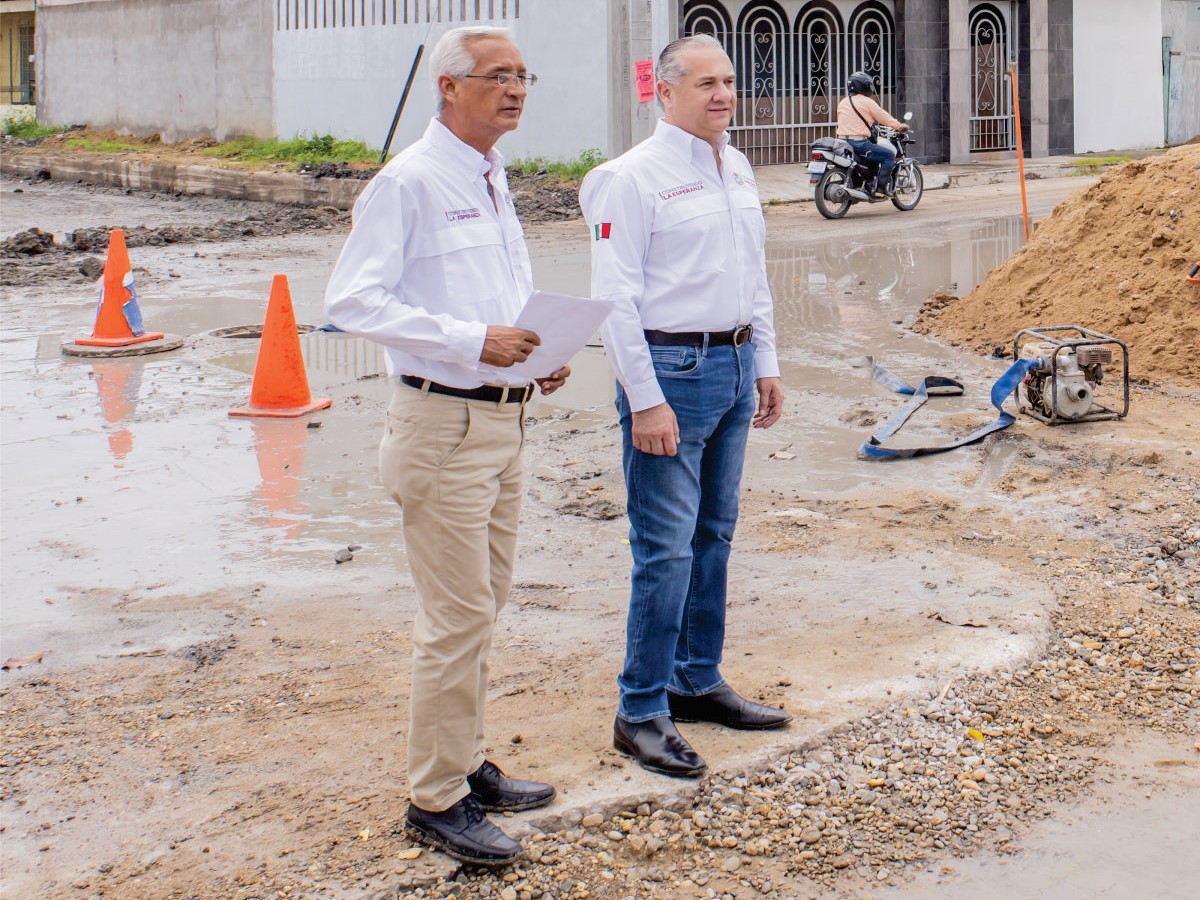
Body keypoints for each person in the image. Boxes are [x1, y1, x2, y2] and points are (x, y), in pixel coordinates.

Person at [324, 25, 569, 867]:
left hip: (503, 419)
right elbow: (352, 301)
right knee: (456, 614)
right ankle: (436, 799)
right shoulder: (412, 182)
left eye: (522, 74)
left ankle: (466, 763)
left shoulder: (491, 176)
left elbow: (493, 294)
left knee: (485, 603)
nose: (516, 89)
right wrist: (472, 341)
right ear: (448, 88)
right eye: (497, 76)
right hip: (442, 423)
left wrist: (536, 353)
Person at [578, 34, 790, 780]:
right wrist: (645, 401)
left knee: (715, 535)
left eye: (728, 81)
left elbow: (754, 274)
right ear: (664, 93)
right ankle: (640, 708)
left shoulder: (735, 164)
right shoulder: (627, 179)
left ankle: (697, 679)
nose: (722, 95)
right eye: (705, 83)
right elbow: (614, 299)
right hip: (672, 370)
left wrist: (763, 361)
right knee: (664, 548)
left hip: (731, 365)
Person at [836, 70, 909, 197]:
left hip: (842, 142)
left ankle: (866, 183)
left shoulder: (843, 102)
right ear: (864, 86)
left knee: (873, 156)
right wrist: (899, 126)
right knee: (888, 155)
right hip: (859, 143)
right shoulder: (866, 102)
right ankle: (880, 190)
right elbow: (883, 117)